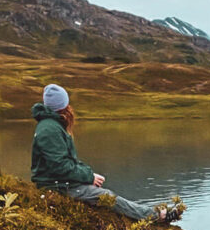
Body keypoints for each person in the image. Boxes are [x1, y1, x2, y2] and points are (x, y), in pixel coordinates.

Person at [30, 83, 167, 221]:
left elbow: (67, 161)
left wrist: (89, 174)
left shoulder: (51, 126)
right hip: (56, 186)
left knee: (102, 193)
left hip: (60, 182)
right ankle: (154, 216)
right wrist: (89, 177)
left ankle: (148, 214)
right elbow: (60, 167)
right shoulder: (50, 130)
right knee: (106, 196)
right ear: (63, 106)